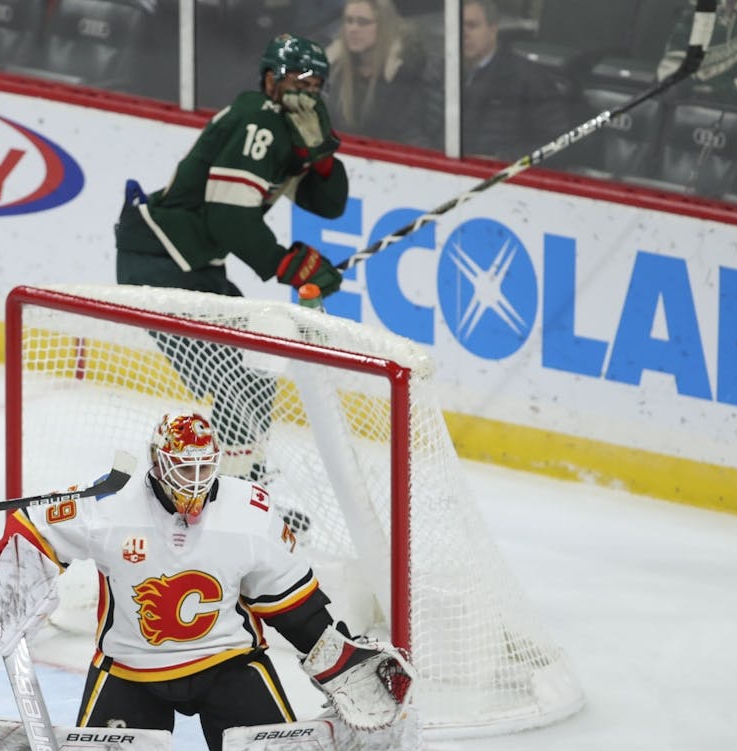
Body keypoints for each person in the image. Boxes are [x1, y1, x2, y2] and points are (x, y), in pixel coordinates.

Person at [0, 412, 406, 751]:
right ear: (157, 461)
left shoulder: (249, 510)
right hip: (132, 671)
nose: (196, 480)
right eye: (185, 468)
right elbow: (35, 527)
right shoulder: (112, 505)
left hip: (228, 665)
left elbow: (287, 598)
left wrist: (334, 655)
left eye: (205, 467)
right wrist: (11, 577)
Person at [114, 33, 347, 496]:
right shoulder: (257, 122)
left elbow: (330, 204)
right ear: (270, 79)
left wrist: (321, 158)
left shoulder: (284, 128)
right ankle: (227, 488)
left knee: (255, 363)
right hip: (162, 262)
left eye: (315, 80)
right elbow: (227, 215)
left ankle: (240, 479)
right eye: (296, 77)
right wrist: (285, 263)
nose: (307, 88)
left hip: (191, 265)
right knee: (235, 373)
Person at [459, 0, 570, 162]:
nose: (463, 33)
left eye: (472, 26)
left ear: (493, 29)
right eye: (459, 26)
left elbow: (559, 143)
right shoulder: (441, 72)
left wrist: (503, 159)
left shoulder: (529, 79)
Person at [324, 0, 442, 149]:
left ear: (383, 27)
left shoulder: (408, 73)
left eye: (363, 22)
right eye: (349, 21)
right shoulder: (335, 70)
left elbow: (410, 133)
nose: (353, 29)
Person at [658, 0, 737, 106]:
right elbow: (672, 61)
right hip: (682, 106)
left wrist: (718, 91)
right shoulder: (700, 9)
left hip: (728, 109)